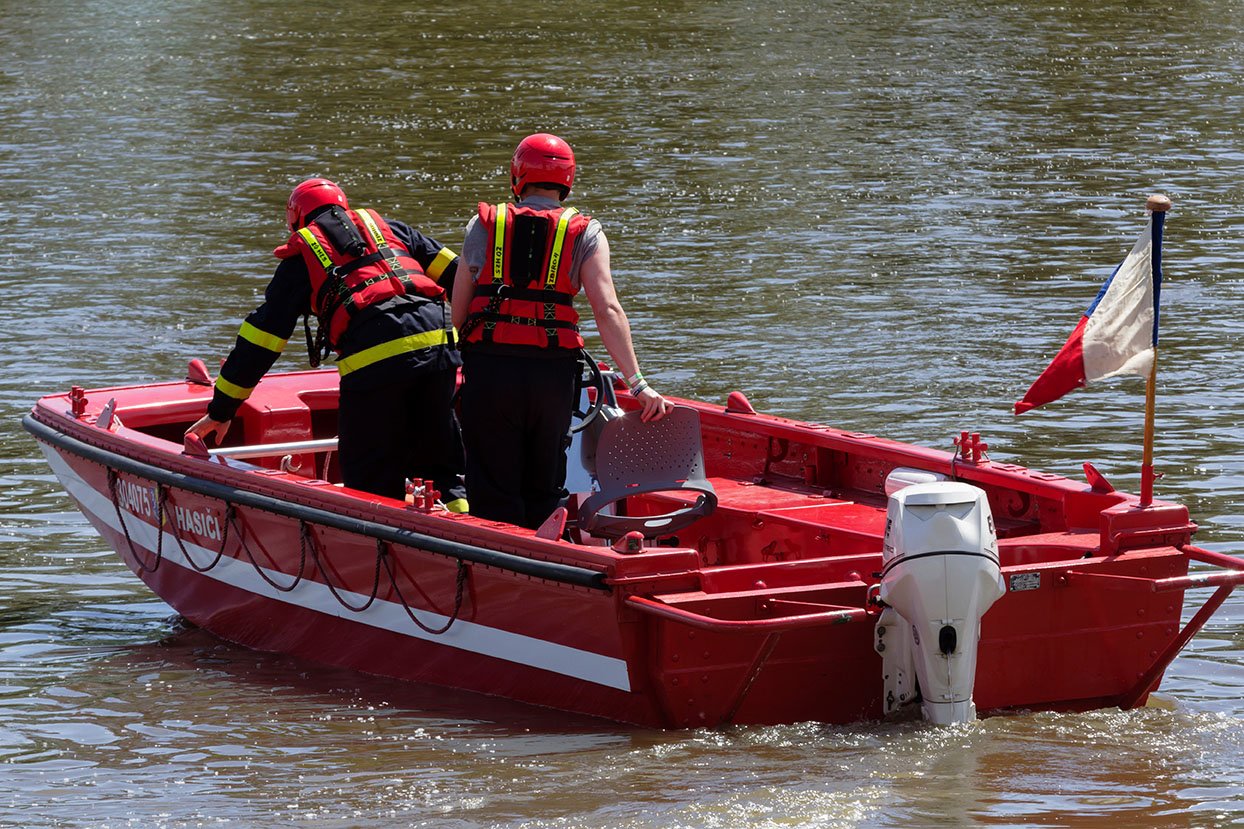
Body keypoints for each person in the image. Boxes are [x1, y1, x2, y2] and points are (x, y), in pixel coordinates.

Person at [187, 178, 468, 510]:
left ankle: (376, 550)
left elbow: (260, 341)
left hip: (374, 362)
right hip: (439, 351)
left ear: (297, 222)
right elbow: (461, 276)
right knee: (441, 468)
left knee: (370, 480)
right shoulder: (394, 231)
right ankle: (467, 534)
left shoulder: (300, 260)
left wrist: (221, 410)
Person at [452, 133, 670, 529]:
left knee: (492, 484)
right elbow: (607, 309)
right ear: (567, 180)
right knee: (544, 483)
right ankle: (547, 554)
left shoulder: (483, 226)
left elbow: (458, 314)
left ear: (518, 175)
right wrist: (638, 384)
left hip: (491, 371)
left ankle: (496, 564)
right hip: (551, 374)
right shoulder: (587, 233)